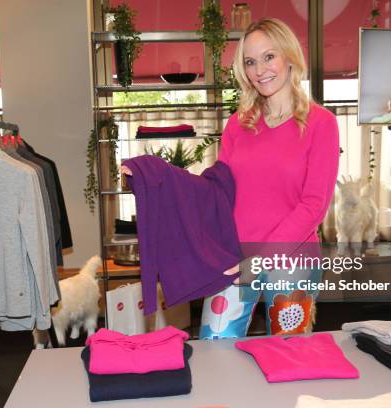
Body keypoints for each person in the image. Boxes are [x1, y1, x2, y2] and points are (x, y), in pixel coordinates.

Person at [122, 18, 340, 338]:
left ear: (290, 57)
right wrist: (156, 175)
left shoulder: (321, 123)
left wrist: (262, 258)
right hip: (233, 258)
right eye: (250, 62)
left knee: (289, 354)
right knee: (215, 348)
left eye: (269, 57)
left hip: (292, 260)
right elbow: (217, 191)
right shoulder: (239, 124)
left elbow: (314, 205)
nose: (259, 70)